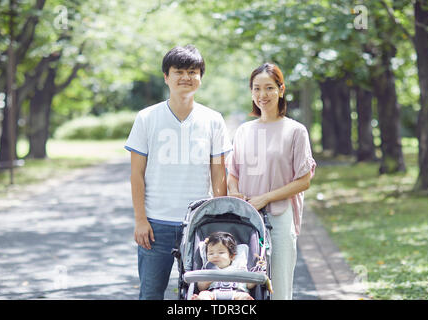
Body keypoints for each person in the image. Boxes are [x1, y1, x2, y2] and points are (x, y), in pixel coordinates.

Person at [125, 45, 232, 300]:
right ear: (166, 76)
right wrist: (140, 219)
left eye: (193, 72)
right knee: (150, 293)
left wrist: (219, 219)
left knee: (202, 294)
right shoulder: (146, 117)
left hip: (199, 223)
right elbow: (136, 174)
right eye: (179, 71)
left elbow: (219, 173)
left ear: (201, 77)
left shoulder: (213, 119)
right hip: (155, 224)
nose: (186, 77)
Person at [226, 62, 316, 300]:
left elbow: (303, 181)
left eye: (269, 88)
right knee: (244, 286)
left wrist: (265, 198)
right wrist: (234, 191)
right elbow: (233, 172)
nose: (262, 95)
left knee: (279, 287)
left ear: (281, 90)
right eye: (256, 89)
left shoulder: (295, 131)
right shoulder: (244, 131)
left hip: (279, 216)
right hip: (245, 218)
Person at [191, 231, 254, 300]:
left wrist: (257, 276)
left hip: (236, 292)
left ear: (232, 256)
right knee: (204, 294)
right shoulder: (207, 270)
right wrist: (209, 279)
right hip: (213, 293)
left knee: (243, 296)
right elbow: (200, 287)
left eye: (221, 253)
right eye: (211, 254)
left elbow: (249, 285)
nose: (215, 256)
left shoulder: (239, 268)